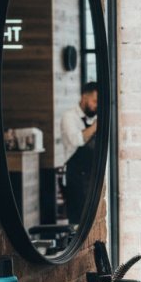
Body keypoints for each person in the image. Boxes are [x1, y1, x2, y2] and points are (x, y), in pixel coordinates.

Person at [60, 81, 99, 225]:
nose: (97, 106)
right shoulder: (69, 117)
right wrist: (95, 127)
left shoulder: (94, 119)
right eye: (95, 101)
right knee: (77, 220)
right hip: (74, 175)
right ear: (84, 97)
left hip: (91, 177)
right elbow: (76, 140)